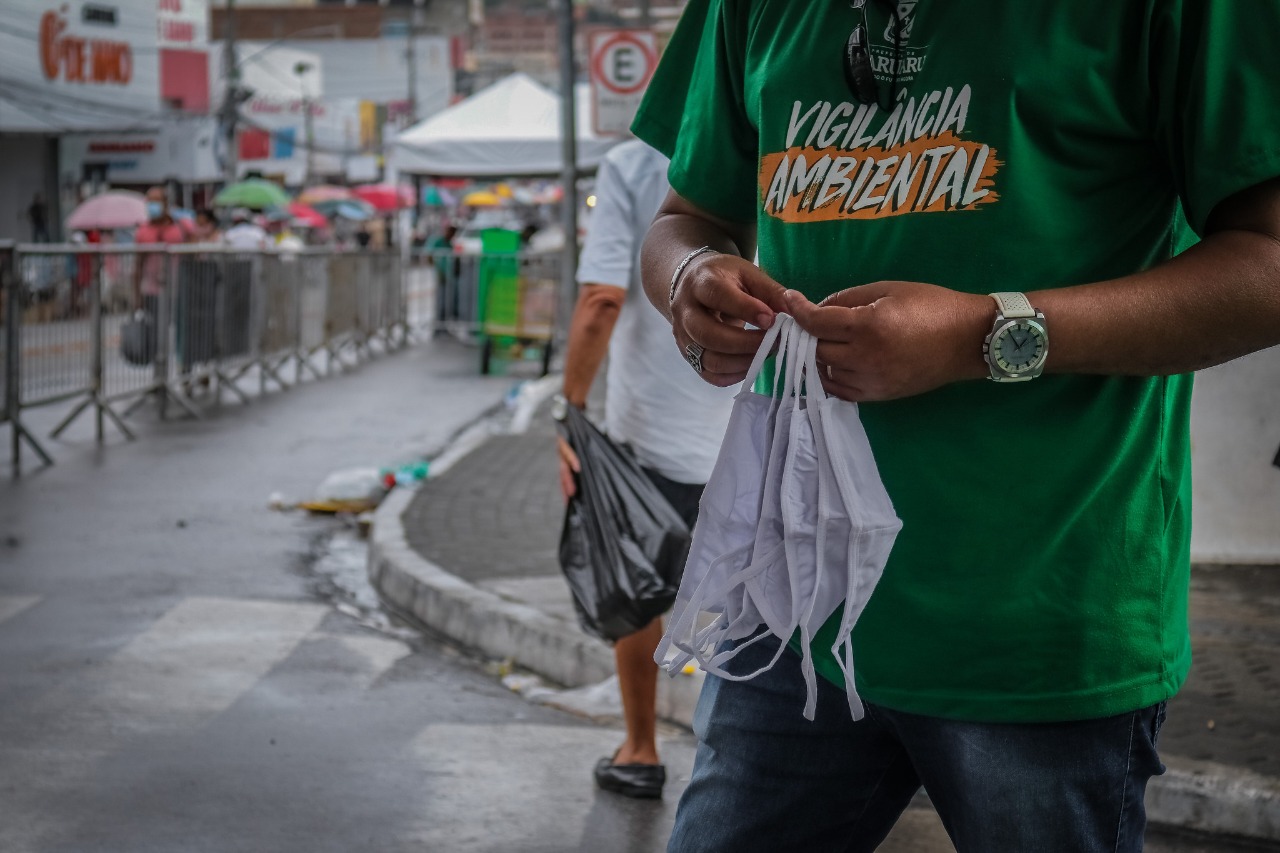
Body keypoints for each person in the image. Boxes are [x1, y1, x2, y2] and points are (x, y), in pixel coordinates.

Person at [633, 1, 1280, 850]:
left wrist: (985, 333)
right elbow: (686, 218)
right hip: (790, 615)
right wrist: (690, 279)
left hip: (1039, 625)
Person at [554, 138, 735, 800]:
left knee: (639, 588)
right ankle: (741, 760)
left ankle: (641, 749)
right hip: (754, 428)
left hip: (653, 432)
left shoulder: (631, 164)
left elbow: (602, 299)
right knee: (751, 601)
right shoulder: (774, 136)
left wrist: (568, 409)